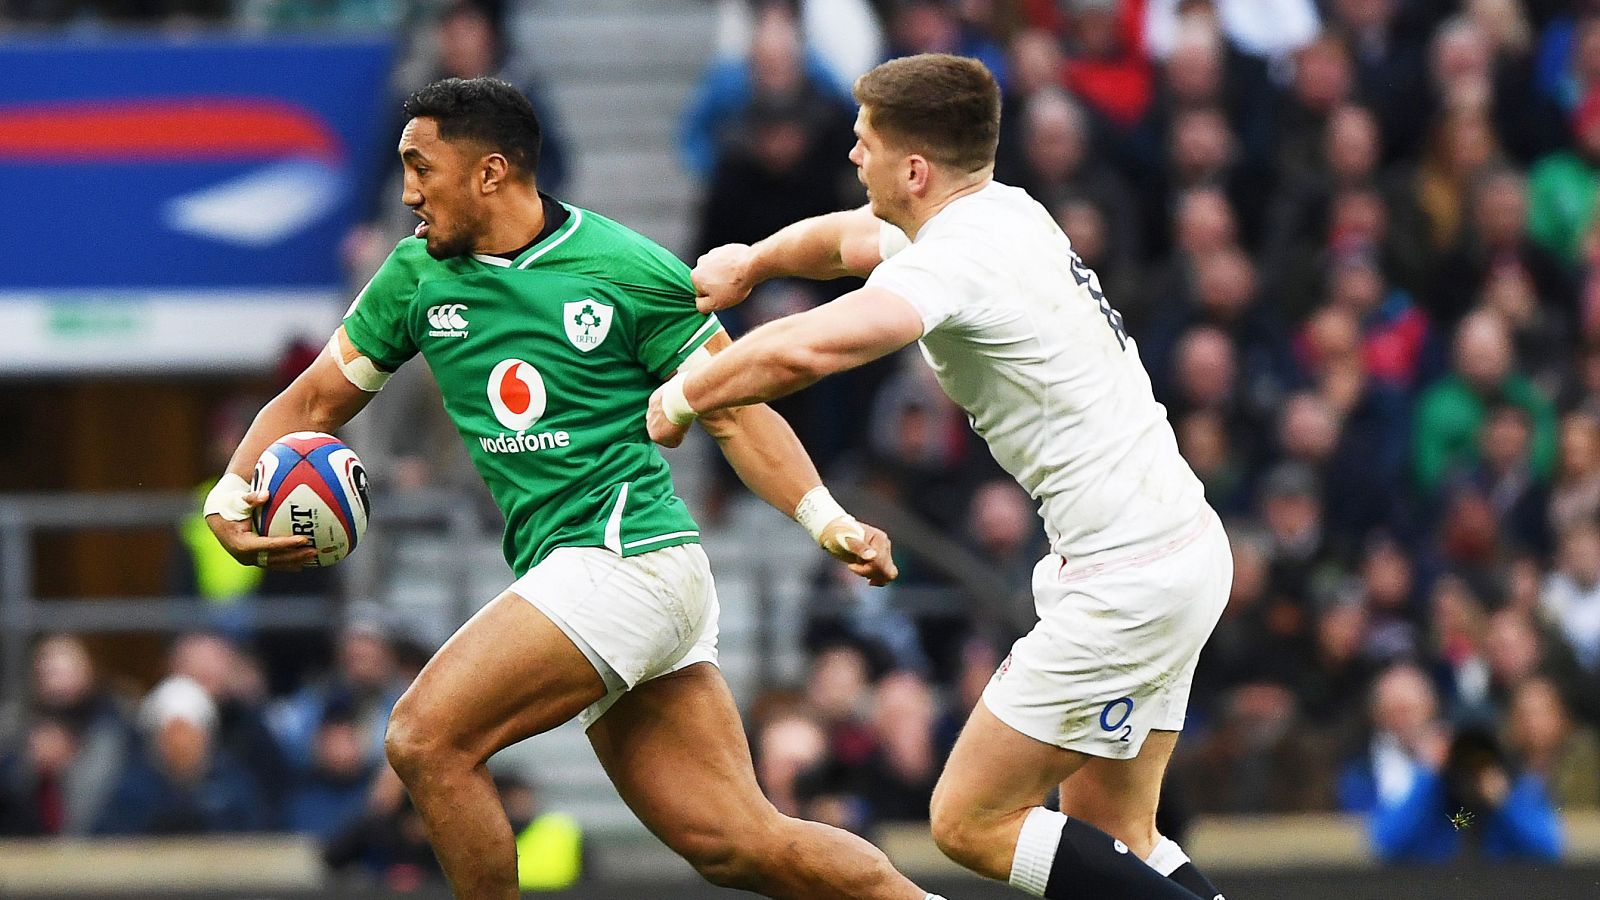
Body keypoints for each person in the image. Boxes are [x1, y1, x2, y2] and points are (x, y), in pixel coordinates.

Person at [200, 76, 945, 900]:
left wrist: (823, 517)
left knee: (422, 738)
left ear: (490, 172)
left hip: (627, 555)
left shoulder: (626, 268)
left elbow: (736, 408)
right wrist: (228, 496)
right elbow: (313, 401)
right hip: (600, 575)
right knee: (740, 843)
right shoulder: (414, 276)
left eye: (421, 168)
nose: (406, 191)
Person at [649, 53, 1232, 900]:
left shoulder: (956, 261)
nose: (853, 157)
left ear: (913, 169)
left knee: (968, 819)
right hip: (1177, 550)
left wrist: (686, 394)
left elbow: (817, 345)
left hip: (1126, 581)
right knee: (1116, 836)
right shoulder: (1000, 212)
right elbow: (848, 239)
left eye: (864, 143)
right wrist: (754, 262)